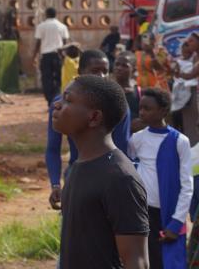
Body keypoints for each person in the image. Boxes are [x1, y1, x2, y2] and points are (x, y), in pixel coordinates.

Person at [53, 74, 150, 269]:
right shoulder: (78, 165)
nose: (57, 105)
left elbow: (137, 262)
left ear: (94, 117)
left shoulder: (120, 178)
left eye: (68, 100)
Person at [46, 50, 133, 210]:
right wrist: (55, 184)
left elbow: (122, 147)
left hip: (108, 179)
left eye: (105, 71)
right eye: (95, 71)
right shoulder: (61, 106)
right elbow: (52, 148)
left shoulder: (117, 106)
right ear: (80, 72)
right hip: (76, 177)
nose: (101, 76)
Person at [128, 87, 192, 269]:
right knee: (146, 259)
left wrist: (177, 222)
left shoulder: (179, 141)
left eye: (147, 108)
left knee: (170, 261)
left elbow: (187, 185)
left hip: (168, 214)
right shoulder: (137, 139)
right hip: (142, 212)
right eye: (140, 108)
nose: (141, 112)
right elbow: (130, 165)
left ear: (163, 111)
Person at [33, 7, 69, 104]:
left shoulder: (41, 26)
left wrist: (34, 56)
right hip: (58, 55)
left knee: (46, 78)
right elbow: (65, 43)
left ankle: (50, 100)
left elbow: (38, 42)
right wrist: (64, 56)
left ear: (46, 14)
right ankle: (57, 98)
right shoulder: (62, 26)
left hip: (46, 56)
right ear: (56, 14)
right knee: (59, 77)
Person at [115, 52, 145, 133]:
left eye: (125, 66)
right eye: (117, 64)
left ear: (134, 69)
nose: (119, 68)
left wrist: (142, 123)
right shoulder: (107, 91)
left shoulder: (140, 93)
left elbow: (146, 119)